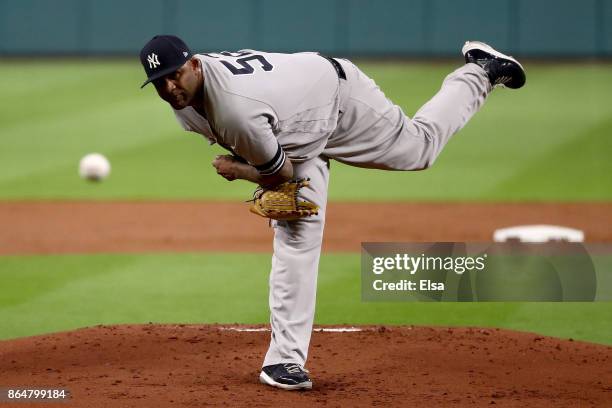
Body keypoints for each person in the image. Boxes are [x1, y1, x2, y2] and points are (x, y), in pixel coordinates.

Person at [139, 35, 525, 390]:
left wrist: (240, 171)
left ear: (194, 65)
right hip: (292, 126)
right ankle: (284, 362)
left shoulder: (236, 109)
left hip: (339, 102)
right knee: (296, 234)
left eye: (174, 76)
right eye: (159, 82)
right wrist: (260, 162)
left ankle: (480, 69)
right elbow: (267, 143)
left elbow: (279, 173)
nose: (169, 88)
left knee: (419, 149)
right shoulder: (189, 103)